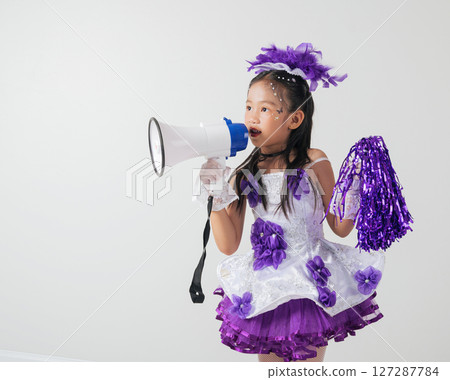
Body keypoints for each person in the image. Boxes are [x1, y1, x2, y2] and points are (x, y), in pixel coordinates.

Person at [195, 43, 385, 362]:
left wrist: (354, 182)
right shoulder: (244, 173)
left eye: (265, 109)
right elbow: (228, 244)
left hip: (310, 281)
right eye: (249, 107)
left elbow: (340, 227)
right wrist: (214, 192)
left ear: (295, 119)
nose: (252, 117)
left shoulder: (314, 161)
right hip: (266, 284)